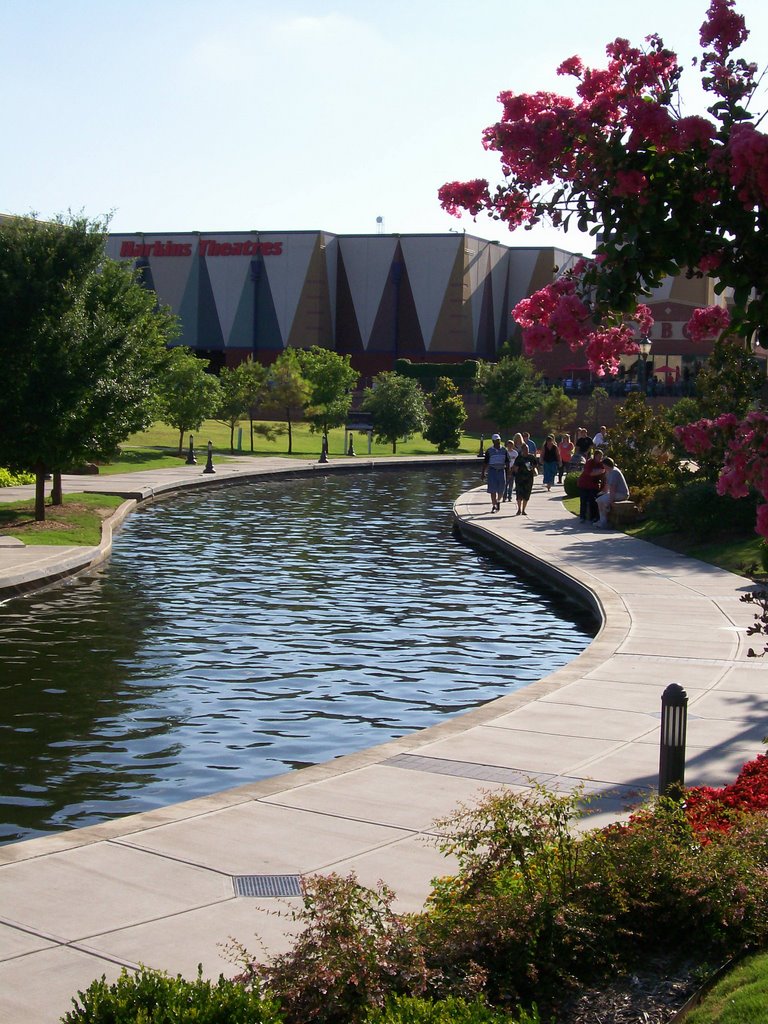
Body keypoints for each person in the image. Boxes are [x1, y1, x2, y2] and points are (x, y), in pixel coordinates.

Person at [595, 457, 630, 528]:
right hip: (616, 493)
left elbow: (613, 489)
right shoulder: (608, 472)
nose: (603, 466)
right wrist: (602, 493)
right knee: (599, 499)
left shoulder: (614, 472)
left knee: (601, 501)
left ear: (606, 465)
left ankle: (603, 523)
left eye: (603, 465)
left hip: (622, 494)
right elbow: (607, 486)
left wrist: (610, 502)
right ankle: (602, 521)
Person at [480, 433, 510, 513]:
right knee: (492, 490)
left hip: (501, 470)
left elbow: (507, 462)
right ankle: (494, 505)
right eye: (496, 440)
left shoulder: (504, 450)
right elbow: (485, 463)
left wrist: (508, 472)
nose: (498, 442)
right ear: (493, 441)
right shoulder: (489, 451)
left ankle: (498, 500)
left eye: (499, 440)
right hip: (492, 471)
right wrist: (483, 473)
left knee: (501, 489)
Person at [511, 432, 538, 516]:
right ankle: (519, 509)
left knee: (526, 494)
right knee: (519, 494)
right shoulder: (519, 458)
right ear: (522, 450)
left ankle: (523, 510)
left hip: (529, 478)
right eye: (525, 449)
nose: (526, 451)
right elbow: (515, 467)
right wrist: (514, 472)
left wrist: (533, 468)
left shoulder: (531, 457)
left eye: (527, 449)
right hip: (519, 478)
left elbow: (535, 466)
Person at [577, 448, 605, 523]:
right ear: (595, 456)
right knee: (583, 500)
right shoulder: (589, 462)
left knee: (593, 501)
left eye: (601, 457)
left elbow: (604, 473)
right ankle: (582, 517)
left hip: (593, 485)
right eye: (598, 456)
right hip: (584, 484)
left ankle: (593, 517)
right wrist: (601, 471)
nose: (600, 458)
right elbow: (590, 473)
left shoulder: (601, 464)